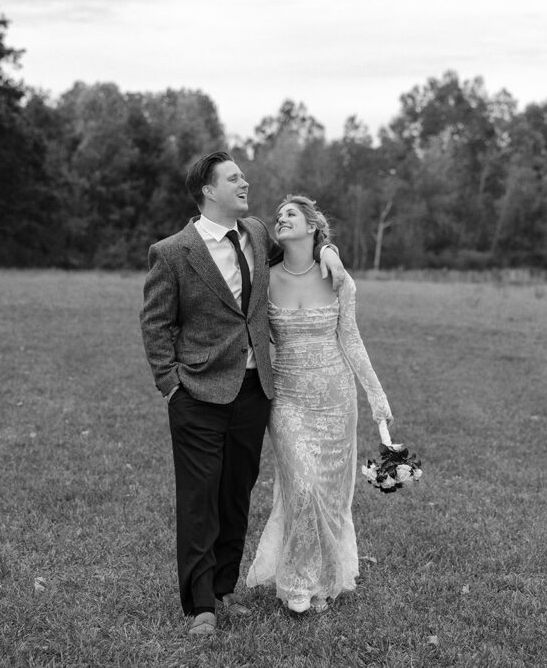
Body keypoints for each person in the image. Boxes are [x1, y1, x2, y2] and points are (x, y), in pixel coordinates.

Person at [140, 152, 345, 636]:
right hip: (197, 395)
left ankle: (224, 589)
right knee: (199, 499)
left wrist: (328, 251)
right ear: (209, 190)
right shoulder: (172, 252)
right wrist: (171, 384)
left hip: (255, 391)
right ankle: (200, 605)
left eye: (243, 175)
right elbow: (155, 322)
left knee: (236, 494)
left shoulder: (254, 232)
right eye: (234, 178)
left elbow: (298, 252)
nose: (245, 182)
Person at [245, 194, 392, 614]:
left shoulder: (338, 279)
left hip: (335, 399)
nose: (281, 219)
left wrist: (376, 395)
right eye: (279, 216)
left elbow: (352, 339)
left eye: (291, 214)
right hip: (287, 397)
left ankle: (325, 577)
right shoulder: (264, 277)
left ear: (312, 226)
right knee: (302, 487)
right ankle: (296, 583)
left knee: (327, 494)